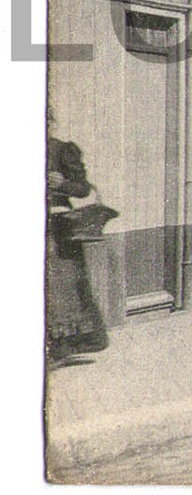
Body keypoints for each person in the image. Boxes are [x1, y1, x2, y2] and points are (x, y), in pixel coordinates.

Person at [46, 127, 112, 360]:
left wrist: (62, 184)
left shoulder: (60, 149)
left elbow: (83, 188)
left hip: (57, 229)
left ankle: (64, 347)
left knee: (63, 287)